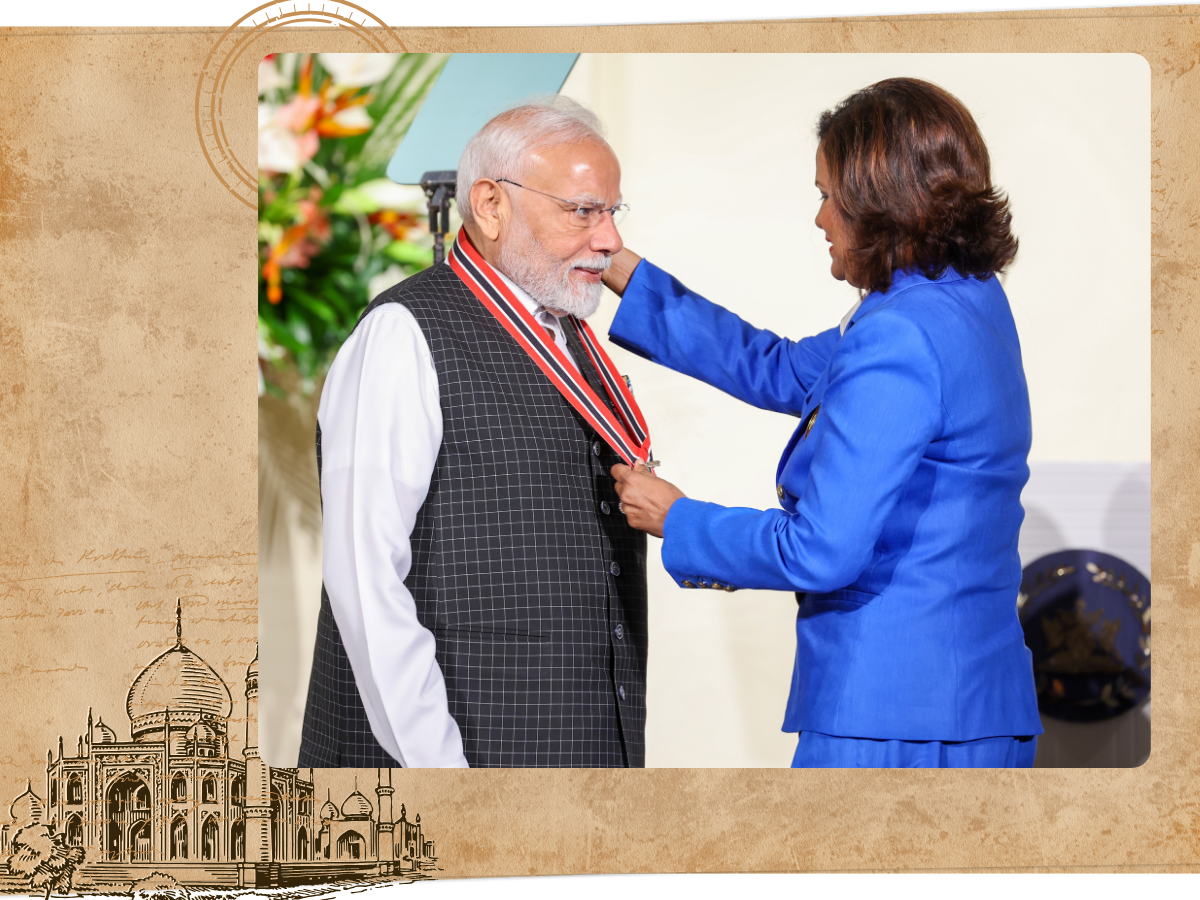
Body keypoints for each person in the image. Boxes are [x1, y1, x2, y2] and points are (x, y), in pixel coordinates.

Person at [602, 78, 1043, 768]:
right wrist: (627, 274)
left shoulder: (900, 333)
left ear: (878, 203)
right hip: (972, 707)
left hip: (894, 719)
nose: (820, 220)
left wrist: (680, 520)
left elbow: (823, 550)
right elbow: (779, 369)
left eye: (826, 196)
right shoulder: (965, 301)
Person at [299, 97, 651, 768]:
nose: (609, 241)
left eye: (612, 212)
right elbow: (365, 579)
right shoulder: (402, 335)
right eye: (583, 210)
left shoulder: (569, 336)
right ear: (490, 206)